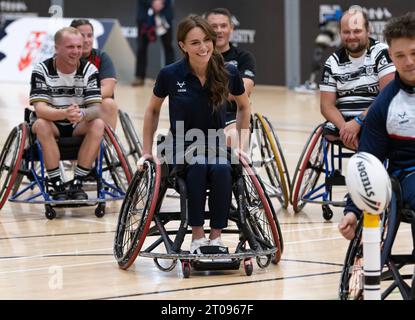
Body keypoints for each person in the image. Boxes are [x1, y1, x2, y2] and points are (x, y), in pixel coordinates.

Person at [138, 15, 251, 253]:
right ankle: (197, 237)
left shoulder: (228, 71)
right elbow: (152, 110)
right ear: (183, 46)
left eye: (207, 40)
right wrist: (146, 152)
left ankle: (216, 238)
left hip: (215, 142)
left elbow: (244, 105)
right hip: (180, 144)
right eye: (195, 42)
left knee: (222, 168)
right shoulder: (170, 74)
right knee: (198, 166)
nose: (203, 47)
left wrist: (241, 144)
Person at [338, 12, 415, 246]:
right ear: (391, 56)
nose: (409, 62)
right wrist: (353, 210)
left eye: (414, 53)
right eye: (400, 55)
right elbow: (367, 161)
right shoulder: (384, 104)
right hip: (409, 176)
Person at [29, 27, 105, 201]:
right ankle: (56, 183)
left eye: (79, 47)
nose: (76, 51)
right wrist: (64, 114)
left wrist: (82, 114)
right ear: (57, 48)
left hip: (78, 123)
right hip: (52, 123)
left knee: (99, 123)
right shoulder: (41, 70)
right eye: (70, 47)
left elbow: (96, 109)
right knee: (40, 123)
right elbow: (40, 109)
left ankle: (78, 182)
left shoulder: (90, 70)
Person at [320, 7, 396, 150]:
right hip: (345, 122)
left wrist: (358, 122)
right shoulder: (332, 62)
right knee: (328, 131)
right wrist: (345, 129)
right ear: (340, 33)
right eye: (346, 32)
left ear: (368, 30)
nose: (352, 36)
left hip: (375, 118)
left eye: (357, 31)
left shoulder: (382, 53)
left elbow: (387, 96)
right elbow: (326, 106)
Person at [205, 8, 256, 147]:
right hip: (201, 113)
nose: (219, 30)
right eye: (214, 26)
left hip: (232, 115)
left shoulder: (244, 58)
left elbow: (244, 90)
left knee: (231, 137)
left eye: (223, 26)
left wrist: (206, 91)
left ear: (231, 28)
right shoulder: (198, 56)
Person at [70, 19, 118, 129]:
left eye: (90, 35)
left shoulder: (102, 57)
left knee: (109, 104)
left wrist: (81, 98)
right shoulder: (61, 58)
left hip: (92, 107)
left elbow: (108, 89)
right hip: (67, 108)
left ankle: (106, 144)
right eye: (82, 36)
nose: (87, 40)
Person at [132, 0, 175, 87]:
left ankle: (171, 76)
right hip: (145, 15)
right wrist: (152, 3)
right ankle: (139, 76)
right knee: (141, 47)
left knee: (168, 47)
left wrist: (161, 2)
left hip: (165, 13)